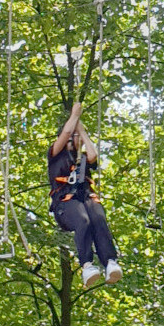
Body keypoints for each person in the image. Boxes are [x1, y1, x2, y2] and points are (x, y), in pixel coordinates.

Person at [48, 102, 122, 288]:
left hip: (86, 198)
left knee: (97, 218)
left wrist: (82, 132)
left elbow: (93, 155)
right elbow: (65, 134)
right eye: (72, 135)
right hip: (66, 204)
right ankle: (87, 265)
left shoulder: (82, 160)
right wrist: (74, 116)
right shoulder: (56, 155)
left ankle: (110, 262)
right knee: (83, 220)